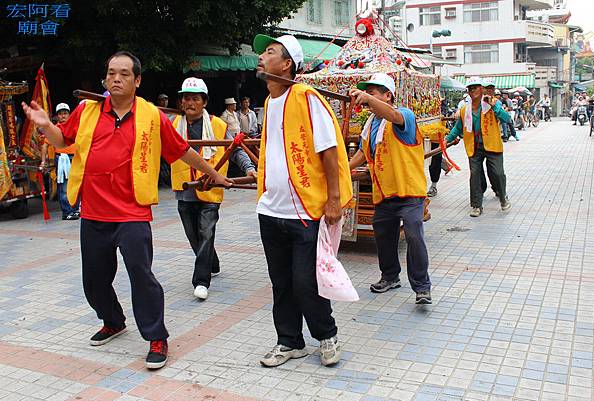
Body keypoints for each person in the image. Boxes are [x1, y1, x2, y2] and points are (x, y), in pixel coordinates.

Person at [22, 51, 231, 370]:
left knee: (141, 274)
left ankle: (157, 336)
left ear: (137, 80)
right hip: (93, 211)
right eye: (110, 73)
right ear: (105, 78)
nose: (115, 78)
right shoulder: (87, 111)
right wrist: (46, 125)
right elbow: (62, 140)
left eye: (123, 73)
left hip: (132, 212)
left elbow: (181, 150)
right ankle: (113, 320)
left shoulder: (151, 115)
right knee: (93, 279)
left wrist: (213, 173)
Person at [253, 33, 352, 368]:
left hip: (305, 211)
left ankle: (327, 336)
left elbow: (328, 150)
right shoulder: (269, 102)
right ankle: (290, 341)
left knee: (305, 282)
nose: (262, 57)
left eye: (270, 52)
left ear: (287, 64)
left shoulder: (306, 97)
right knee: (281, 283)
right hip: (271, 209)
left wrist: (334, 200)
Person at [348, 73, 432, 305]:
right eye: (368, 92)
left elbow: (393, 115)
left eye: (374, 92)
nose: (369, 96)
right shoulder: (370, 124)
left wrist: (367, 99)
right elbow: (363, 153)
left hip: (409, 192)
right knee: (383, 236)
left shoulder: (404, 115)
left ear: (388, 95)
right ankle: (390, 276)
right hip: (384, 192)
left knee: (414, 234)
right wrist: (344, 168)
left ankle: (422, 287)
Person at [170, 78, 257, 300]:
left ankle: (201, 281)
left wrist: (248, 168)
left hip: (211, 188)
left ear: (204, 102)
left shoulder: (218, 125)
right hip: (184, 189)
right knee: (194, 236)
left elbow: (234, 149)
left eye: (195, 98)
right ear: (181, 102)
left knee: (206, 231)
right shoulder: (171, 125)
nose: (190, 102)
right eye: (186, 98)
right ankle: (212, 262)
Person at [445, 78, 512, 217]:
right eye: (470, 88)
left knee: (497, 173)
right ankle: (476, 205)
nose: (472, 91)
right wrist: (448, 139)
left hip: (492, 144)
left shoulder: (492, 105)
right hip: (474, 146)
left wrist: (495, 107)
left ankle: (503, 196)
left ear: (481, 89)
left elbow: (507, 119)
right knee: (475, 175)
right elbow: (459, 127)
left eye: (475, 87)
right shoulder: (465, 109)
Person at [40, 103, 80, 220]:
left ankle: (75, 209)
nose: (63, 116)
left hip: (75, 157)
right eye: (60, 114)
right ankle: (67, 212)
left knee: (76, 184)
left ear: (69, 114)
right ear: (57, 116)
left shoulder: (74, 126)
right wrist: (43, 162)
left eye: (65, 113)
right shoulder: (54, 129)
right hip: (62, 158)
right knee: (64, 186)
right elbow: (44, 146)